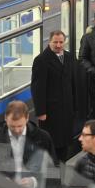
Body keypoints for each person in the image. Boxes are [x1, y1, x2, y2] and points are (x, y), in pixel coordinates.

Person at [31, 30, 75, 162]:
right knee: (51, 143)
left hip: (66, 108)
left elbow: (72, 82)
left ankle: (62, 167)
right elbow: (37, 88)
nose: (58, 45)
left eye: (61, 42)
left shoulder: (69, 57)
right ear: (49, 42)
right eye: (55, 42)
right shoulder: (41, 60)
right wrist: (41, 112)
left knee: (65, 143)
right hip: (50, 111)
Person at [0, 101, 56, 183]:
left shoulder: (43, 138)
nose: (16, 130)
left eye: (20, 126)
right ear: (5, 118)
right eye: (12, 126)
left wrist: (34, 181)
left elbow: (53, 170)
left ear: (27, 118)